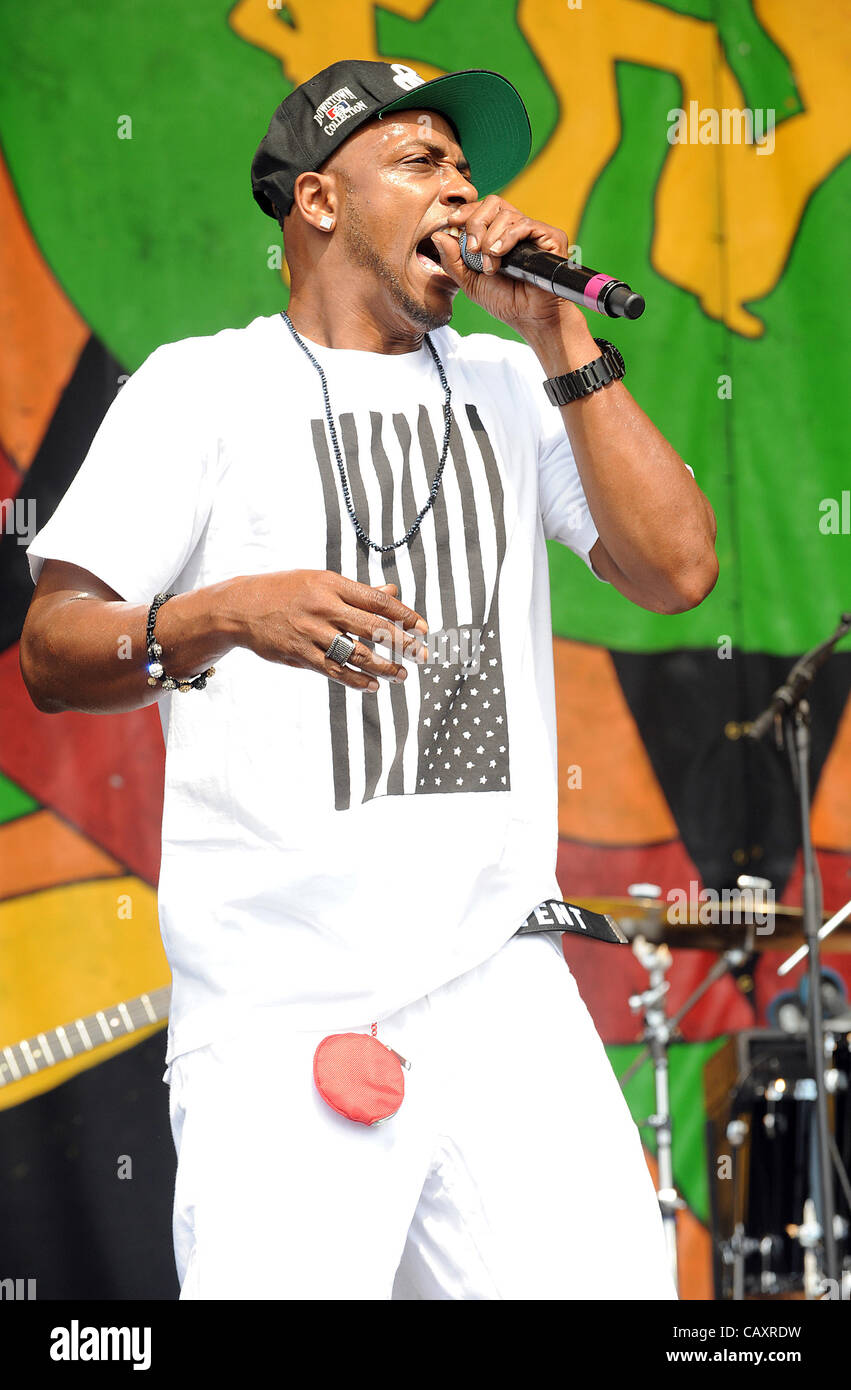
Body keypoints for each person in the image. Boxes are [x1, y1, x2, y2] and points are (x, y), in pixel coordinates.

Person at [20, 60, 718, 1299]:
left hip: (497, 980)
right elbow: (53, 649)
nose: (459, 189)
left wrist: (560, 334)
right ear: (318, 202)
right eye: (418, 161)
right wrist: (214, 614)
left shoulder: (511, 381)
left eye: (465, 167)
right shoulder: (203, 387)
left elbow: (675, 569)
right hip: (283, 1001)